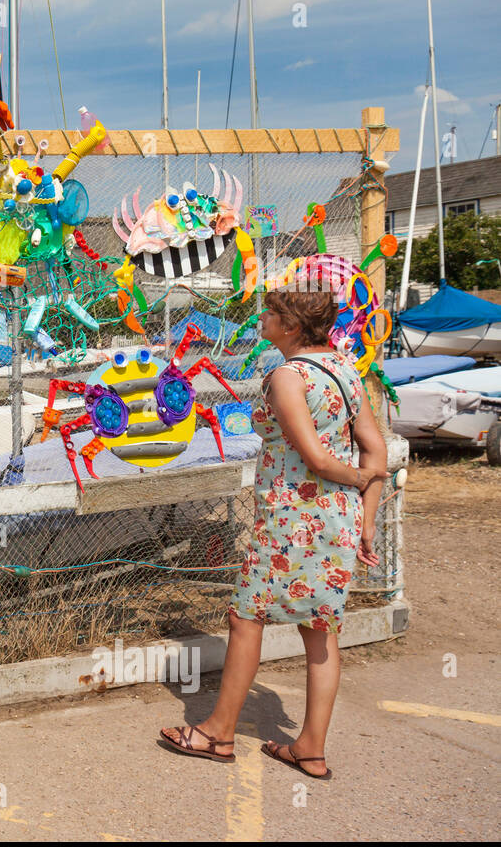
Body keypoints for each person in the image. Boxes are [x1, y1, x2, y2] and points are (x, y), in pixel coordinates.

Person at [158, 286, 388, 780]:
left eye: (271, 313)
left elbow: (316, 458)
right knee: (321, 630)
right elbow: (374, 449)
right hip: (339, 520)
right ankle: (310, 747)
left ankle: (218, 732)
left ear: (291, 327)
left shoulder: (287, 376)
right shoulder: (346, 370)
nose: (261, 319)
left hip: (292, 518)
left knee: (246, 618)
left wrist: (355, 478)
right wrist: (365, 516)